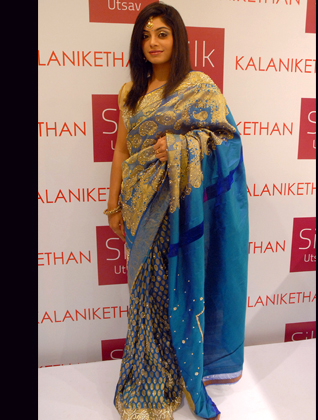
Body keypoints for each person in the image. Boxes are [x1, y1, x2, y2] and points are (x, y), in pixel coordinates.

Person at [105, 3, 249, 419]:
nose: (153, 42)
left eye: (162, 33)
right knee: (144, 295)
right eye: (146, 35)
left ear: (178, 39)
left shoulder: (198, 86)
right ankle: (148, 371)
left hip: (178, 212)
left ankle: (178, 370)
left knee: (175, 291)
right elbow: (120, 151)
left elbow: (227, 140)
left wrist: (181, 146)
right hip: (138, 207)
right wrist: (113, 205)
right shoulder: (129, 93)